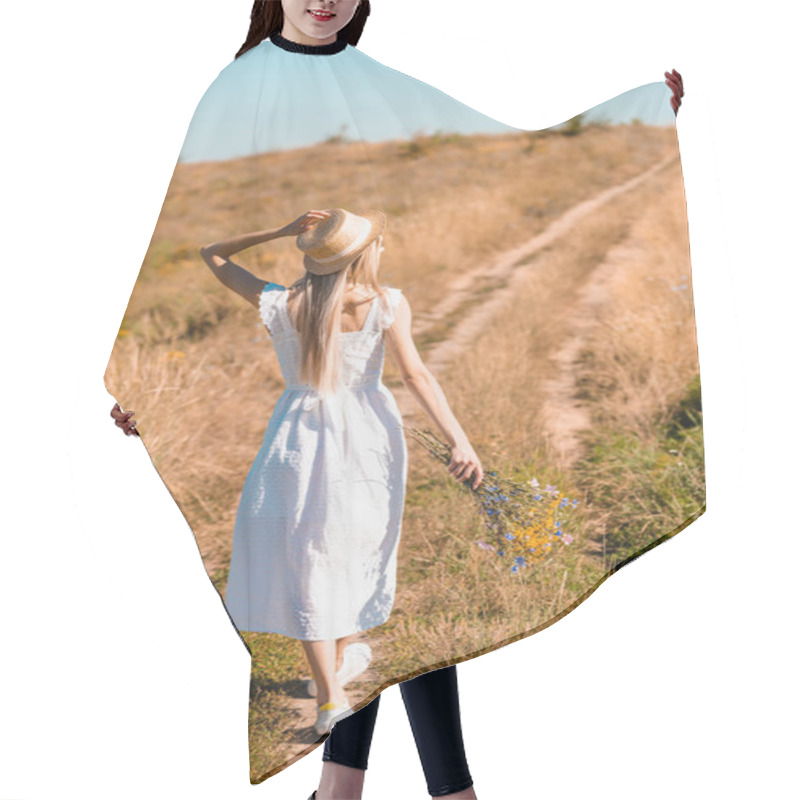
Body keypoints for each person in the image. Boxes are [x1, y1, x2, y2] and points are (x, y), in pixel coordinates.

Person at [109, 3, 685, 798]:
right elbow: (163, 237)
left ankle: (348, 786)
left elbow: (520, 144)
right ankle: (418, 789)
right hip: (358, 436)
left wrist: (645, 109)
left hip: (317, 435)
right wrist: (137, 391)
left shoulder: (372, 109)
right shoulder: (236, 90)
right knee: (372, 598)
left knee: (355, 594)